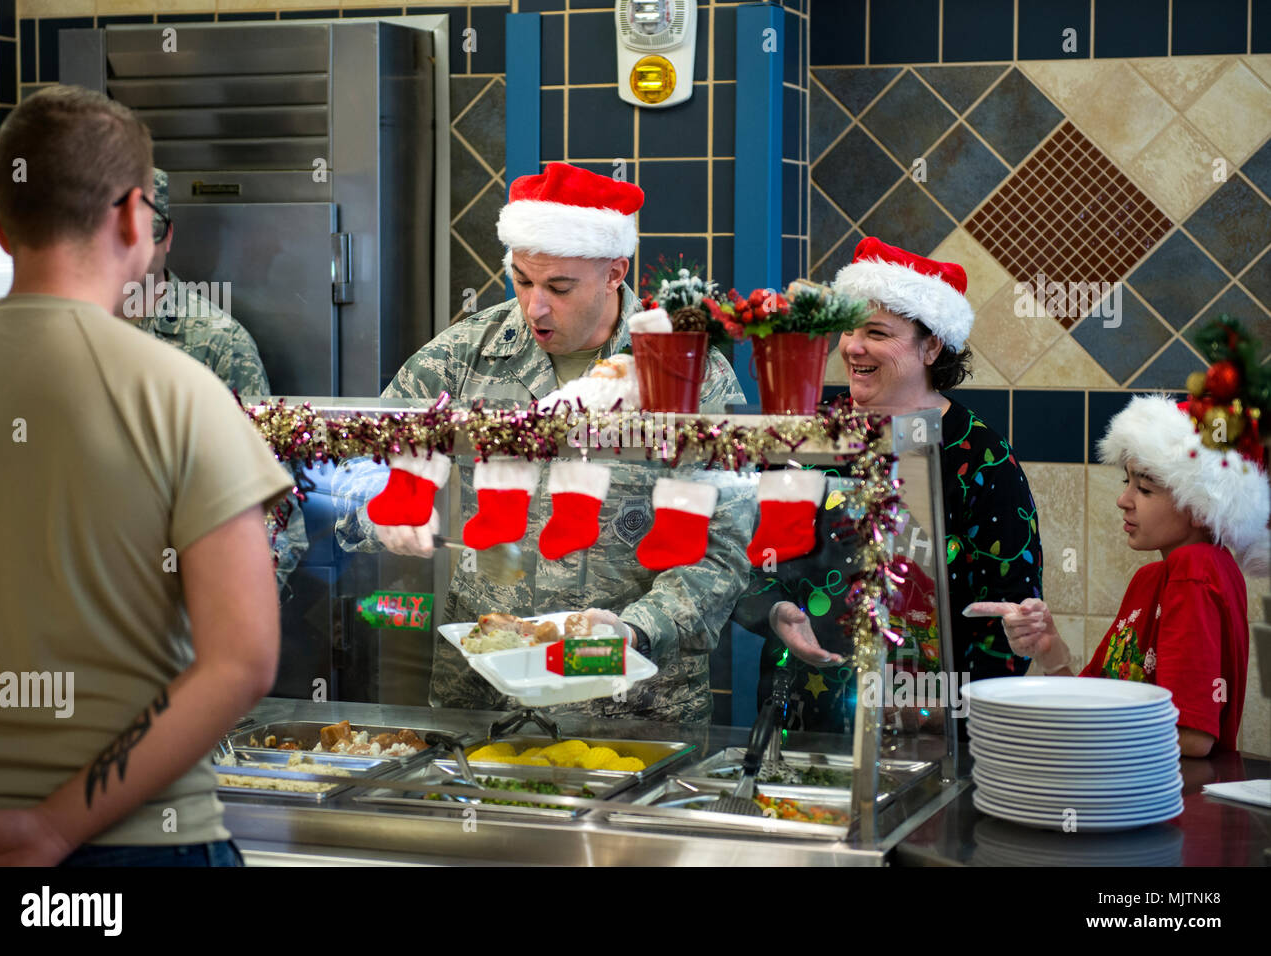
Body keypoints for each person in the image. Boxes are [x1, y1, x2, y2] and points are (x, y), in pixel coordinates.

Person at [0, 86, 292, 866]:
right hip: (144, 842)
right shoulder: (179, 392)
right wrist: (52, 826)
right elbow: (242, 659)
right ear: (133, 219)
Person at [335, 162, 753, 724]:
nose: (535, 306)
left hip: (632, 703)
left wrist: (637, 629)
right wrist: (378, 508)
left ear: (614, 272)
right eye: (523, 281)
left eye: (559, 287)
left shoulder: (688, 369)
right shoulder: (463, 355)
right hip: (485, 692)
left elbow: (724, 546)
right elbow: (351, 455)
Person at [738, 237, 1044, 732]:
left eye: (877, 332)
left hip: (930, 733)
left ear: (931, 345)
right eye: (850, 328)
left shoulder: (978, 455)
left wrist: (951, 716)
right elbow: (749, 554)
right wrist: (772, 612)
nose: (853, 347)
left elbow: (1010, 607)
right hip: (798, 716)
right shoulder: (811, 435)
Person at [969, 394, 1268, 757]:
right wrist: (1050, 651)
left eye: (1144, 489)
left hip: (1169, 803)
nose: (1123, 499)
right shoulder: (1151, 580)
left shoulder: (1197, 568)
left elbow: (1190, 737)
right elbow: (1087, 707)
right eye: (1127, 482)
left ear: (1202, 507)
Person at [124, 168, 307, 592]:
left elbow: (274, 509)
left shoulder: (217, 342)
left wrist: (227, 621)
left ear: (167, 236)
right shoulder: (71, 333)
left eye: (143, 235)